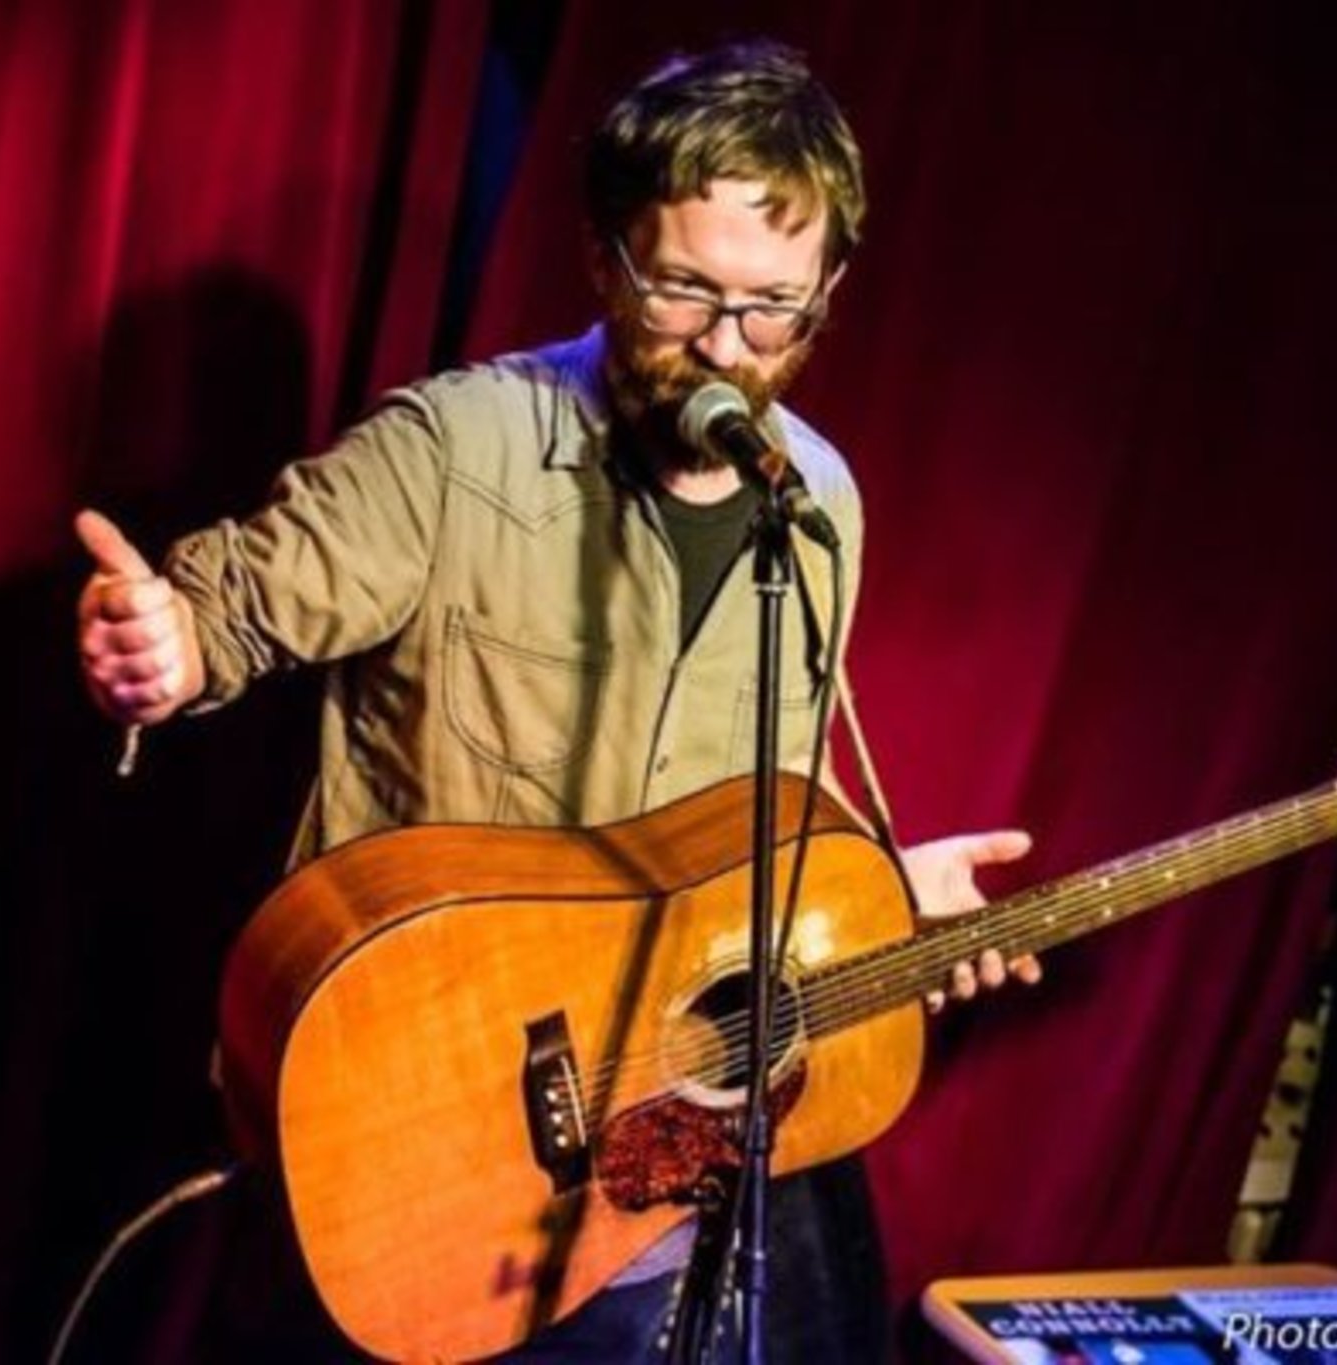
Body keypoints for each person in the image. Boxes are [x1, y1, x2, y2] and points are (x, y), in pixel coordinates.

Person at [75, 40, 1037, 1364]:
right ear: (605, 260)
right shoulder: (454, 446)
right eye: (685, 290)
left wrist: (873, 895)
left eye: (776, 309)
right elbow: (232, 604)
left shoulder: (817, 505)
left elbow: (751, 816)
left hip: (646, 1135)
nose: (727, 347)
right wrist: (165, 650)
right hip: (429, 1124)